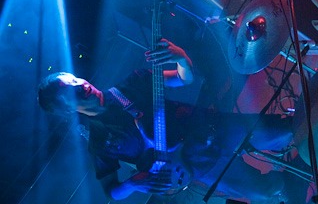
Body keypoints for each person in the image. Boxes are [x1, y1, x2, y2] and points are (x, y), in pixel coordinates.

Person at [37, 38, 301, 203]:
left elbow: (184, 78)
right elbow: (111, 190)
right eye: (70, 90)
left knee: (288, 130)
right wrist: (133, 183)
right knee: (266, 191)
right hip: (197, 166)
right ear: (67, 110)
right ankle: (296, 181)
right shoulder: (100, 142)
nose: (80, 85)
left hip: (211, 128)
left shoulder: (132, 83)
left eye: (75, 79)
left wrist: (181, 58)